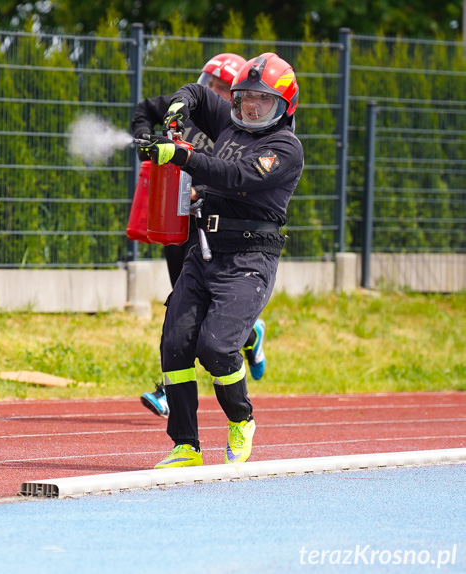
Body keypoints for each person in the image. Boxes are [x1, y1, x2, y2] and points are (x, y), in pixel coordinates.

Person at [136, 52, 303, 467]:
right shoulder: (229, 118)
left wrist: (181, 156)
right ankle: (186, 445)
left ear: (283, 105)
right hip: (204, 249)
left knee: (216, 347)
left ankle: (241, 419)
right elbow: (196, 92)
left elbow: (237, 177)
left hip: (249, 258)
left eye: (262, 100)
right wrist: (179, 107)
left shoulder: (284, 147)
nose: (250, 105)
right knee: (174, 344)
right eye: (245, 96)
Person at [130, 54, 267, 420]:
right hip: (175, 217)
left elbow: (232, 175)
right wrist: (145, 139)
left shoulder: (233, 126)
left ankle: (166, 393)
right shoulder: (190, 107)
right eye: (212, 83)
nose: (215, 92)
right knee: (183, 302)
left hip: (207, 218)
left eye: (225, 87)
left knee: (189, 312)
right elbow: (145, 109)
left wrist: (198, 188)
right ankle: (251, 334)